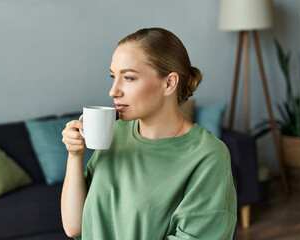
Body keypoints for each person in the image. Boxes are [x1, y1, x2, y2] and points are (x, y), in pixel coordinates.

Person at [61, 28, 237, 240]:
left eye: (128, 78)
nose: (113, 91)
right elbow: (74, 227)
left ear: (169, 83)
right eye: (113, 76)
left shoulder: (207, 155)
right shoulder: (115, 134)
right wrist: (74, 155)